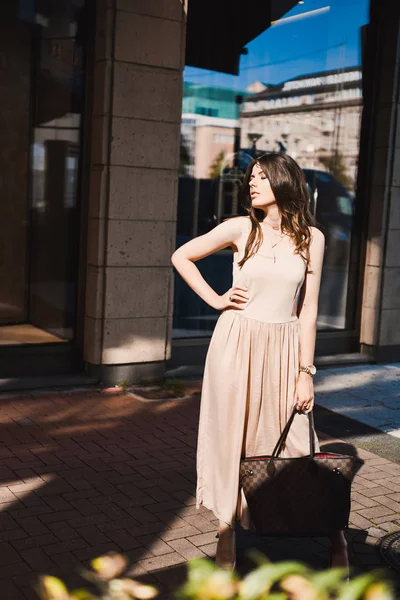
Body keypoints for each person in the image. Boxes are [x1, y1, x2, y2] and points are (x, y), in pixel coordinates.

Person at [171, 152, 348, 571]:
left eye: (262, 177)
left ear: (285, 182)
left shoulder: (312, 238)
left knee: (299, 440)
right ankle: (226, 531)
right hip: (236, 342)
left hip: (285, 346)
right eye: (250, 178)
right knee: (231, 436)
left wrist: (306, 374)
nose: (252, 183)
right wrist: (216, 299)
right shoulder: (240, 228)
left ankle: (334, 534)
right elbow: (182, 256)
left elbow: (308, 310)